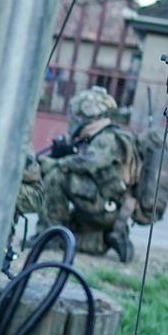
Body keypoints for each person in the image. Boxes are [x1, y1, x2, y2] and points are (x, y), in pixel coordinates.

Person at [36, 86, 140, 261]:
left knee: (57, 175)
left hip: (105, 205)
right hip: (105, 204)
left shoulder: (107, 138)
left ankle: (50, 236)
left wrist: (56, 163)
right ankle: (107, 237)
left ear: (90, 119)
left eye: (78, 117)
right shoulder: (97, 138)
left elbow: (89, 163)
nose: (75, 121)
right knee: (79, 241)